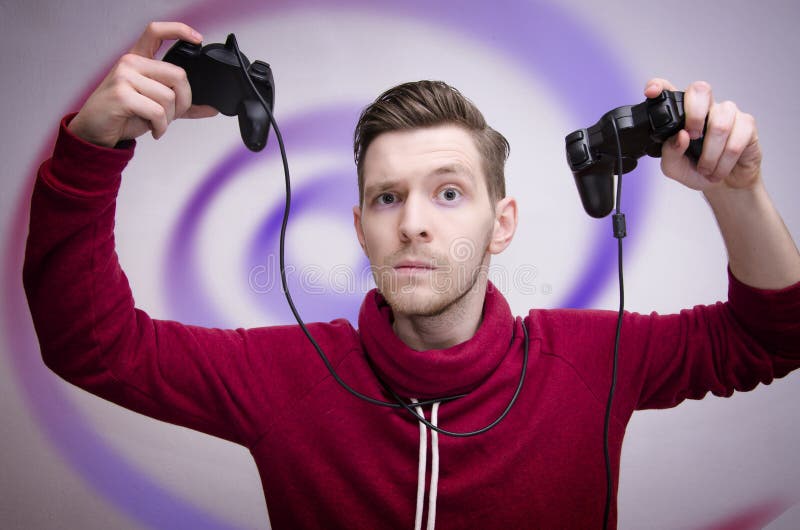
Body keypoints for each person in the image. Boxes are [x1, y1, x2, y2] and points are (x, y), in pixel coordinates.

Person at [23, 21, 800, 530]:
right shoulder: (288, 374)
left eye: (450, 191)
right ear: (361, 227)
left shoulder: (591, 360)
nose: (415, 222)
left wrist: (739, 193)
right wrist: (95, 147)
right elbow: (91, 344)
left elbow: (771, 338)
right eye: (387, 197)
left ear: (503, 224)